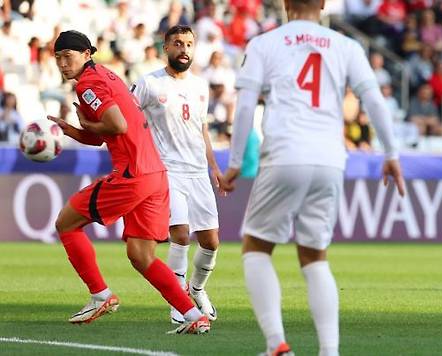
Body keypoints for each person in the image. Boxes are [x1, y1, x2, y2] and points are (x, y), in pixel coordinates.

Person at [220, 0, 405, 354]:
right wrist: (391, 153)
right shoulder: (346, 46)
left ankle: (277, 345)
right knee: (315, 256)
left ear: (285, 3)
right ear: (322, 4)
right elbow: (374, 101)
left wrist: (234, 162)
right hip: (330, 160)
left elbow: (245, 107)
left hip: (285, 154)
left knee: (256, 247)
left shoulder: (264, 43)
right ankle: (329, 351)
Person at [46, 30, 209, 334]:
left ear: (86, 55)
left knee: (66, 223)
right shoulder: (106, 75)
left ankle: (100, 295)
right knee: (141, 256)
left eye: (68, 57)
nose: (63, 64)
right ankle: (191, 315)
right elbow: (102, 135)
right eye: (58, 58)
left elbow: (116, 124)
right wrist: (71, 130)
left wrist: (86, 123)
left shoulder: (88, 84)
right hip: (155, 175)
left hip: (132, 175)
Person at [132, 25, 222, 325]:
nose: (184, 49)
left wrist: (215, 167)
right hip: (168, 171)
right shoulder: (148, 84)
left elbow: (203, 130)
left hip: (198, 173)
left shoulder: (200, 86)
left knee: (211, 242)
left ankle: (196, 289)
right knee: (180, 235)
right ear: (165, 49)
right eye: (177, 44)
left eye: (189, 44)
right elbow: (128, 119)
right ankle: (179, 300)